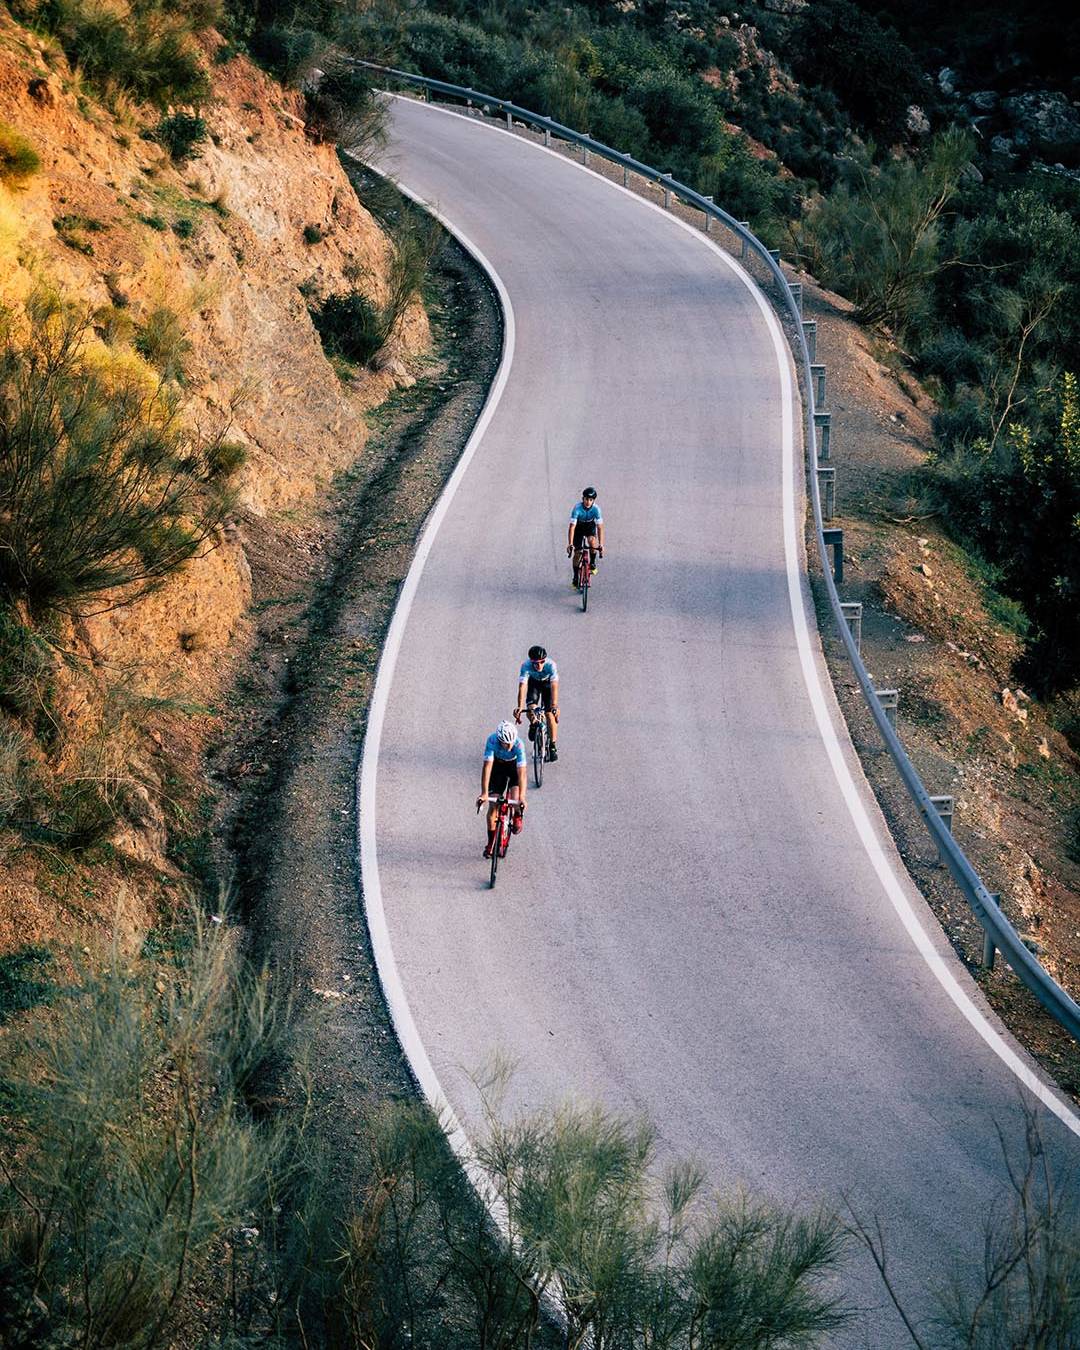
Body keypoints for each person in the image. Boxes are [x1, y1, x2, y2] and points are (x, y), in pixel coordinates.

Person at [477, 720, 527, 858]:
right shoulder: (492, 741)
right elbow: (487, 767)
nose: (510, 746)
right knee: (493, 807)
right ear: (500, 740)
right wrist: (484, 793)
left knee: (515, 798)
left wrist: (522, 797)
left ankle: (517, 814)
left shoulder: (519, 744)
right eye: (506, 743)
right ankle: (490, 843)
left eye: (511, 742)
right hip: (498, 767)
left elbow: (522, 773)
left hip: (513, 767)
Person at [514, 645, 559, 762]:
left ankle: (553, 746)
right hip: (534, 684)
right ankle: (534, 723)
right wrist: (520, 706)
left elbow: (554, 686)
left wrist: (554, 706)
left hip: (547, 684)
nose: (539, 665)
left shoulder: (551, 665)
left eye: (542, 662)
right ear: (531, 661)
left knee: (550, 714)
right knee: (531, 708)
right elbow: (522, 686)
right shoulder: (526, 666)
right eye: (536, 663)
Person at [567, 486, 604, 588]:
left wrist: (601, 545)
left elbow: (600, 528)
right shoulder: (577, 508)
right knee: (578, 553)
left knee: (592, 542)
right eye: (586, 499)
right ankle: (575, 577)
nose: (588, 502)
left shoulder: (596, 509)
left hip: (589, 527)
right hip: (578, 528)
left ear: (593, 501)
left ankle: (592, 563)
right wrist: (570, 544)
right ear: (582, 499)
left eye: (591, 500)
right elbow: (572, 527)